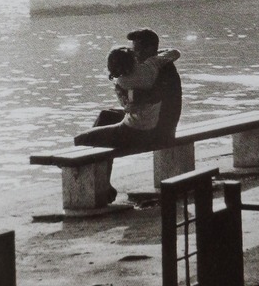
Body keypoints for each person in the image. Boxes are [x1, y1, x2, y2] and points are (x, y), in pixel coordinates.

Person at [74, 28, 182, 201]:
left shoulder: (156, 72)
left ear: (149, 49)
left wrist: (124, 93)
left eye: (137, 50)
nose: (134, 55)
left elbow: (137, 103)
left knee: (82, 140)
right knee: (105, 116)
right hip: (156, 122)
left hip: (154, 132)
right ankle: (103, 184)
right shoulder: (157, 65)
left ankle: (99, 188)